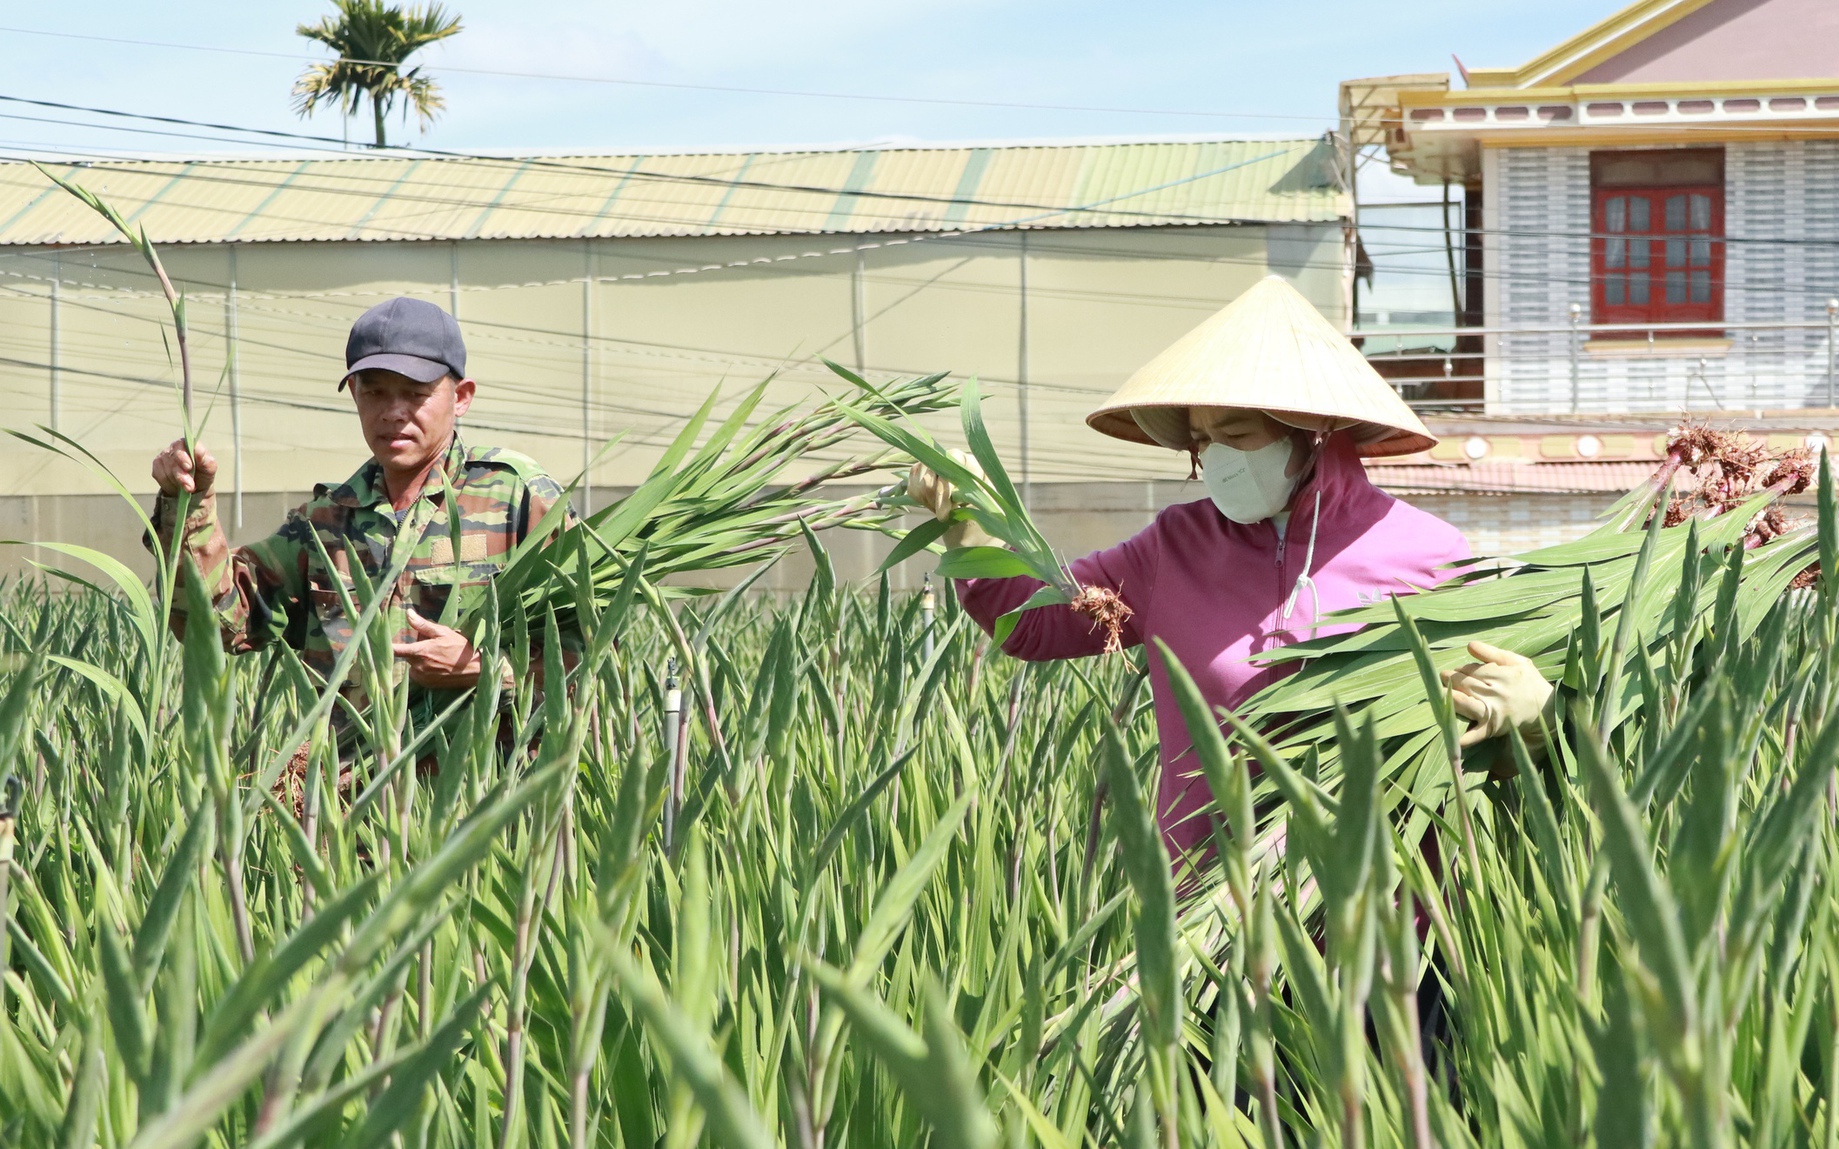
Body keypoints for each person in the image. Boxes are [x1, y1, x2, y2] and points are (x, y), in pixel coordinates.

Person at [909, 276, 1551, 868]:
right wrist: (972, 524)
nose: (1216, 458)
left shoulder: (1427, 553)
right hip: (1216, 911)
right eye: (1202, 440)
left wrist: (1534, 714)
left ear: (1315, 431)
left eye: (1237, 433)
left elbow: (1491, 726)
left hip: (1387, 907)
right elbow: (1036, 624)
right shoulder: (1175, 548)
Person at [150, 296, 570, 701]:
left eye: (415, 393)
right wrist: (190, 501)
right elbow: (217, 624)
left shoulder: (517, 497)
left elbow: (594, 649)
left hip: (486, 770)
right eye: (375, 392)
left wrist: (483, 668)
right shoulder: (325, 522)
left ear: (460, 397)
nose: (393, 412)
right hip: (357, 771)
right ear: (354, 393)